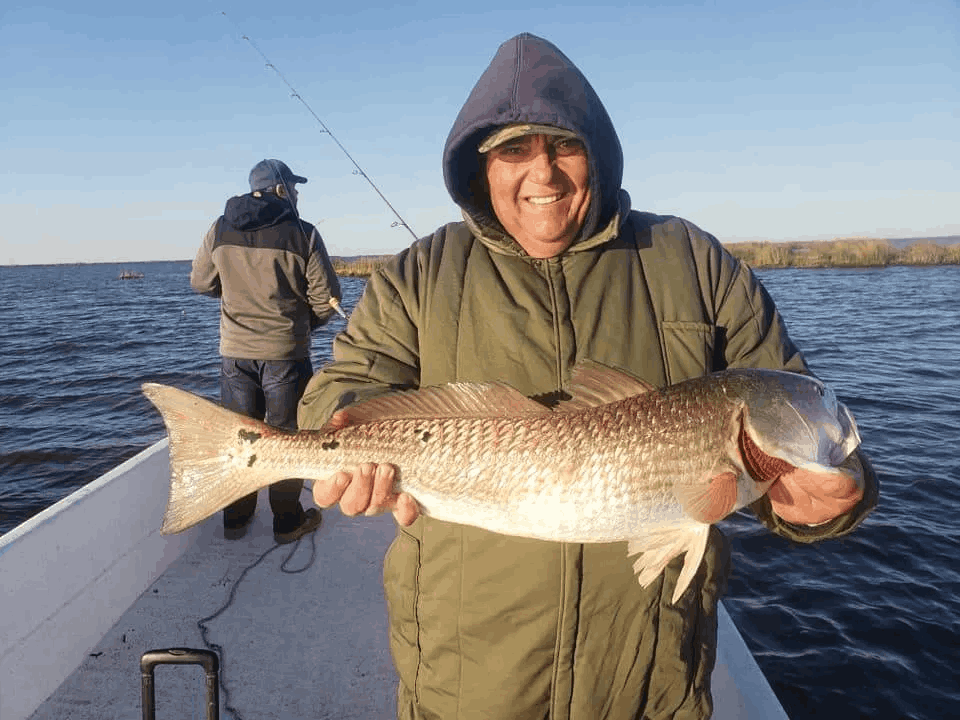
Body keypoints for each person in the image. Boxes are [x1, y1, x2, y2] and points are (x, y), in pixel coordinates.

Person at [298, 34, 878, 719]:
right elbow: (342, 388)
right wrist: (345, 437)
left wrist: (831, 502)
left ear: (596, 153)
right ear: (479, 165)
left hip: (650, 675)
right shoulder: (420, 272)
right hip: (470, 672)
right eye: (514, 150)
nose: (542, 175)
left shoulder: (692, 259)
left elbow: (792, 408)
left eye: (562, 147)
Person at [191, 158, 342, 544]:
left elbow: (201, 282)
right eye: (293, 187)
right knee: (285, 439)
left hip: (234, 354)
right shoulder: (303, 233)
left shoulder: (219, 228)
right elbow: (327, 301)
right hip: (286, 356)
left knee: (241, 436)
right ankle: (287, 521)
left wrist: (238, 299)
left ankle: (236, 519)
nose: (296, 194)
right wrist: (302, 325)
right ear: (279, 190)